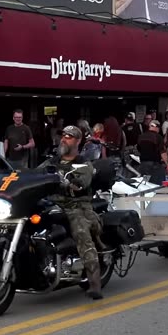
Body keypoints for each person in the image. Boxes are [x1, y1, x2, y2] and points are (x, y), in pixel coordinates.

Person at [51, 126, 104, 301]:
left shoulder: (83, 162)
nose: (64, 139)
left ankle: (94, 282)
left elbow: (82, 181)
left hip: (77, 205)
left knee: (81, 232)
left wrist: (73, 182)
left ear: (78, 141)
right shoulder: (52, 161)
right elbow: (35, 173)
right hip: (54, 203)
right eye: (63, 136)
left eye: (69, 137)